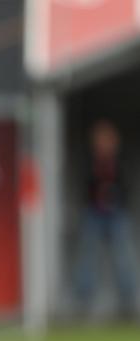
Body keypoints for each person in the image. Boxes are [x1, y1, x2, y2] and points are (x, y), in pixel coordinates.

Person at [73, 119, 138, 319]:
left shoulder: (120, 161)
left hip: (117, 212)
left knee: (124, 258)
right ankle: (83, 303)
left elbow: (127, 185)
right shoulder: (89, 162)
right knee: (87, 258)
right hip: (93, 212)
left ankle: (128, 304)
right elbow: (83, 186)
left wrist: (114, 195)